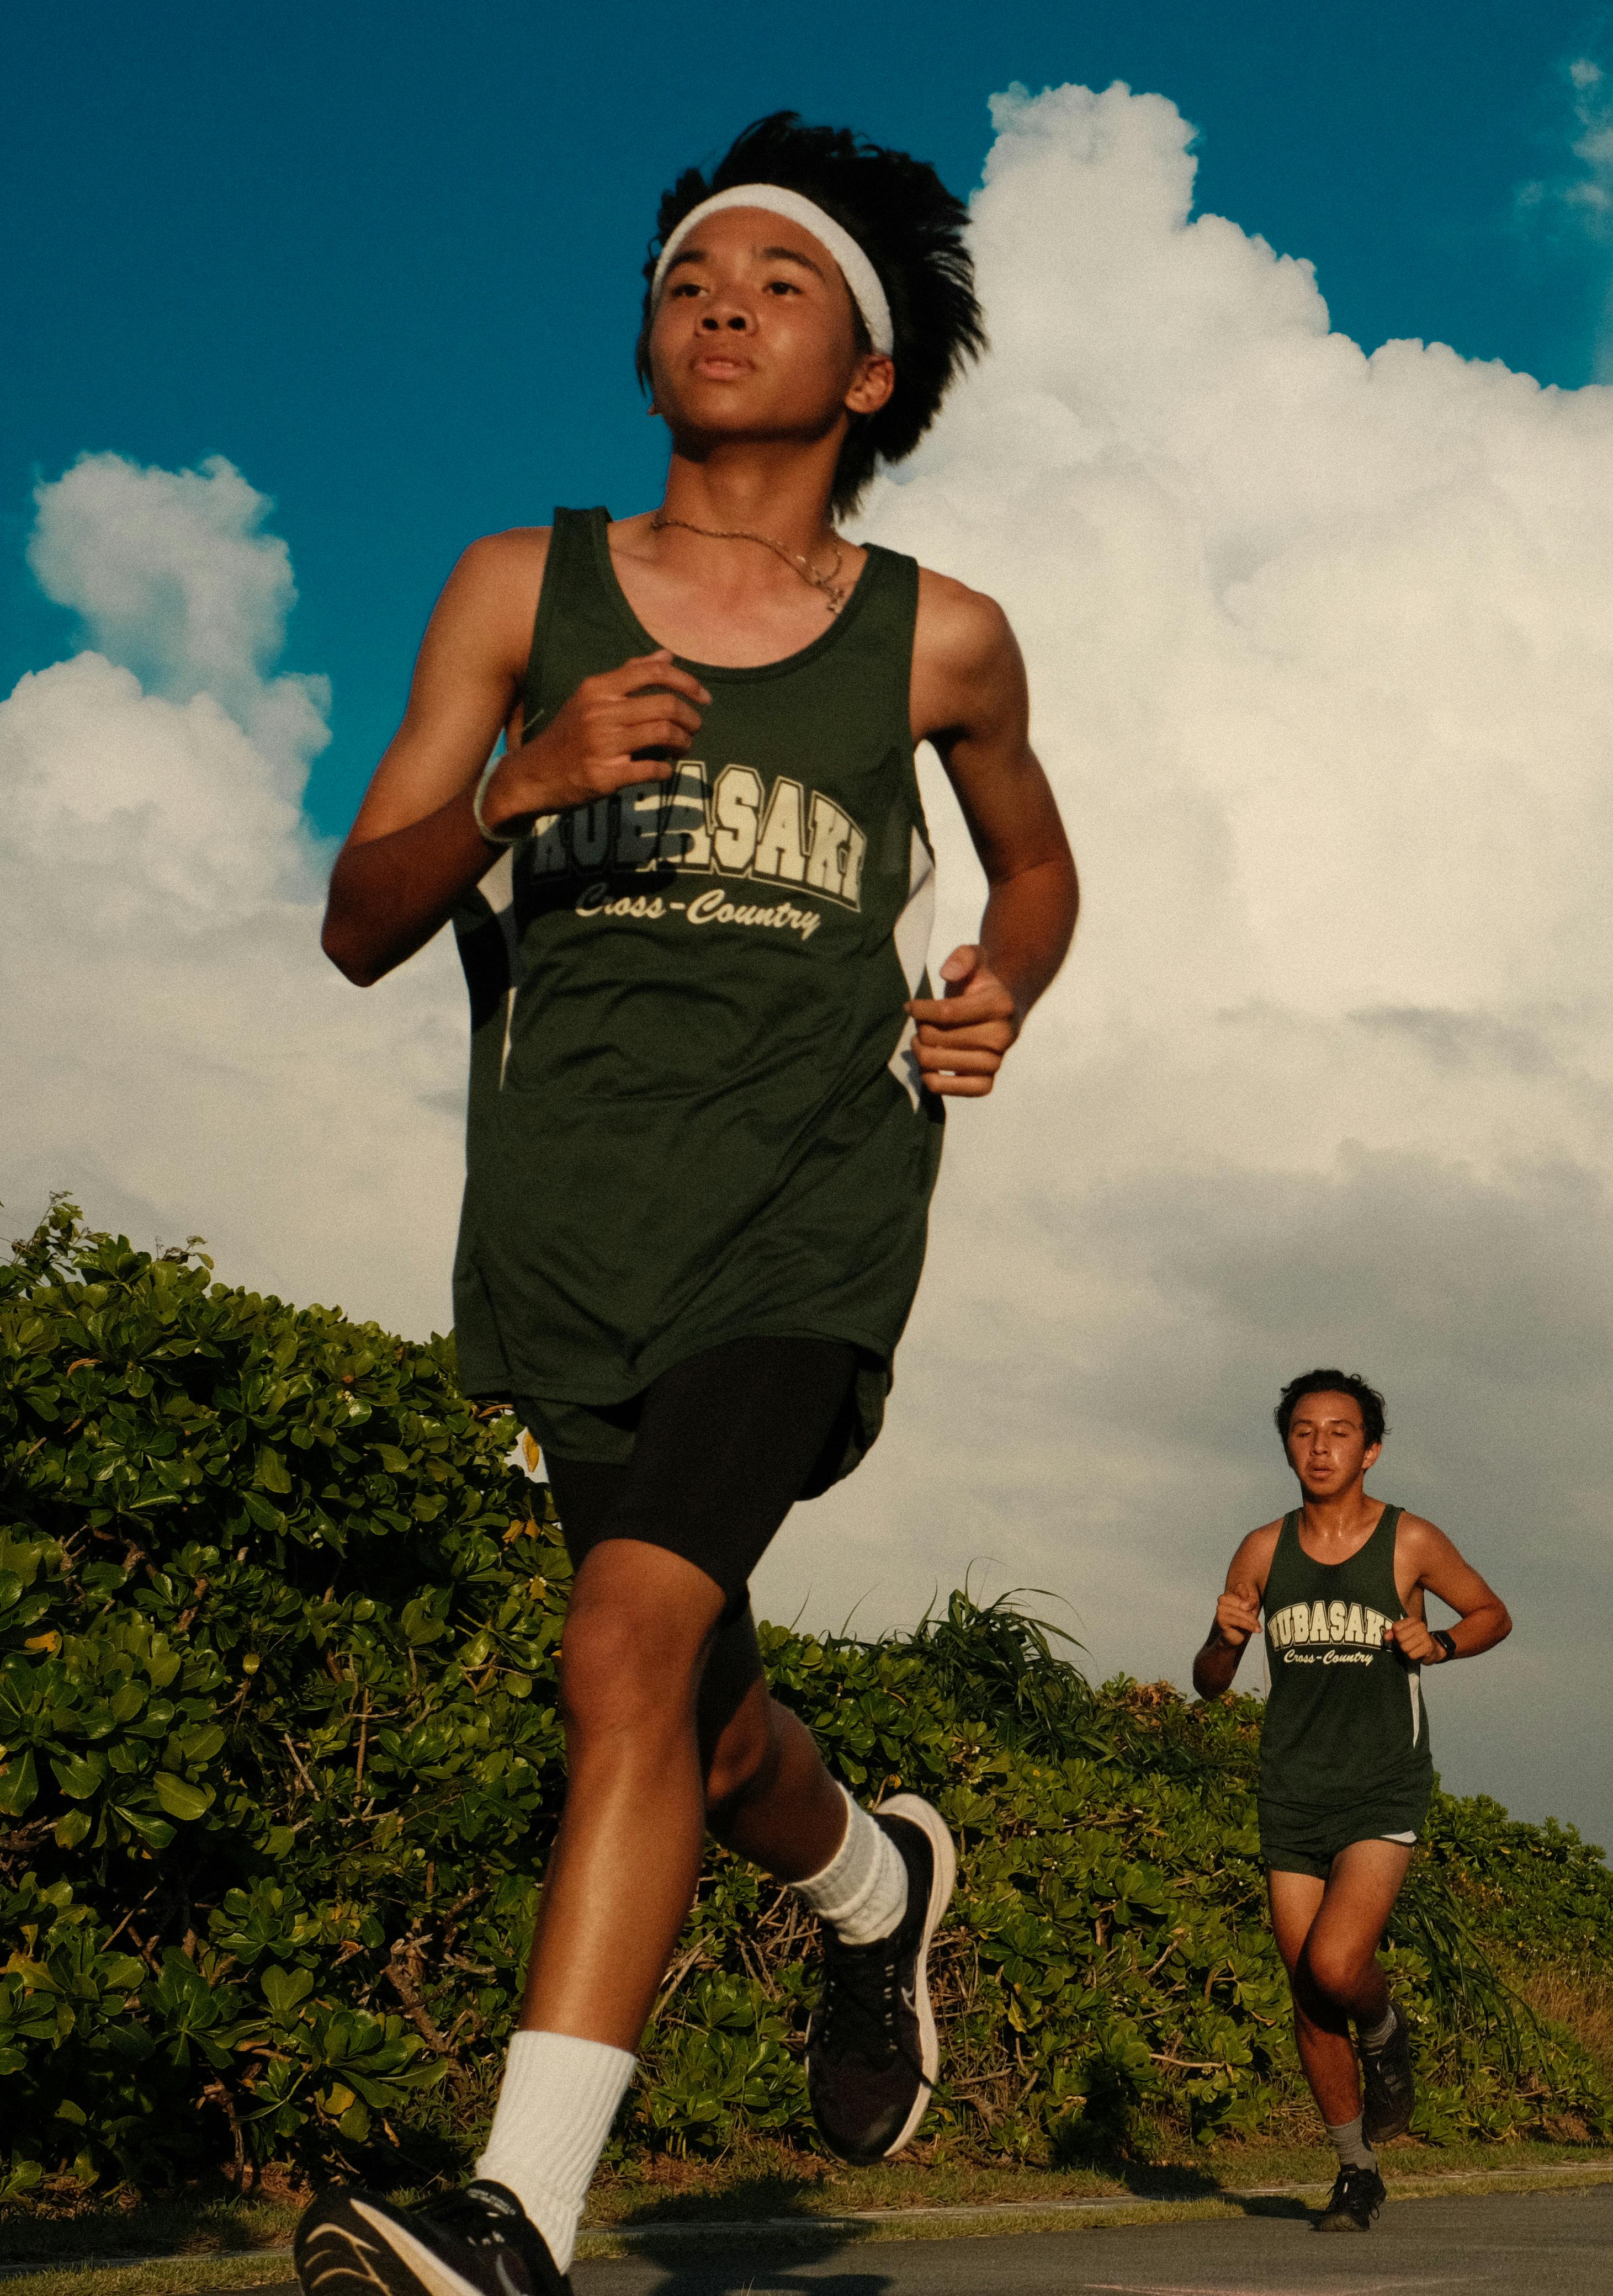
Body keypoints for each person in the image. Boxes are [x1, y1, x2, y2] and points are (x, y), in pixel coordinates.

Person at [290, 114, 1078, 2296]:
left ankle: (511, 2213)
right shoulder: (509, 587)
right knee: (697, 1709)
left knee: (620, 1639)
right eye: (687, 276)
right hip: (569, 1230)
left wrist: (994, 984)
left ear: (868, 377)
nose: (719, 298)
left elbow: (1035, 863)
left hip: (809, 1213)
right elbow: (362, 916)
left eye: (779, 279)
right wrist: (519, 786)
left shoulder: (943, 641)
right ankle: (869, 1889)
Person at [1195, 1370, 1513, 2234]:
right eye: (1304, 1432)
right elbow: (1211, 1685)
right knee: (1306, 1995)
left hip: (1382, 1785)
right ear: (1287, 1445)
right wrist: (1222, 1639)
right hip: (1290, 1792)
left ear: (1369, 1450)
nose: (1321, 1446)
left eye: (1340, 1432)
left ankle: (1386, 2033)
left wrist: (1439, 1640)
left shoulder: (1409, 1540)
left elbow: (1493, 1613)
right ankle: (1355, 2170)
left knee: (1338, 1968)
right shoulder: (1262, 1550)